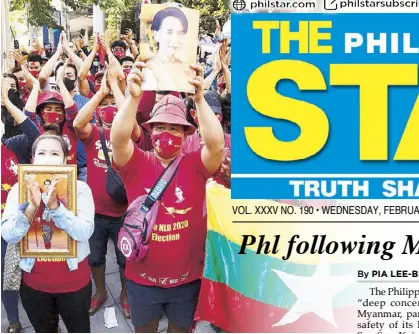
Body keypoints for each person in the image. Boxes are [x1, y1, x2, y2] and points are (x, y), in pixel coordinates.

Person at [110, 62, 224, 333]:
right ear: (149, 131)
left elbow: (216, 145)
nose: (167, 133)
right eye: (159, 126)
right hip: (141, 279)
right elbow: (118, 140)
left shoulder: (196, 165)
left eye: (175, 128)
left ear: (186, 134)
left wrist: (198, 100)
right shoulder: (135, 164)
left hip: (187, 281)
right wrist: (133, 98)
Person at [1, 134, 95, 333]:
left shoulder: (80, 189)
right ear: (33, 158)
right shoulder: (18, 189)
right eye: (42, 152)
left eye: (55, 153)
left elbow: (84, 231)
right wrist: (30, 208)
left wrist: (56, 208)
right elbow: (9, 234)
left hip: (74, 284)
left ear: (64, 159)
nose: (48, 157)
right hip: (34, 286)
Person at [73, 66, 141, 319]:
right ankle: (100, 291)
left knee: (125, 259)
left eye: (115, 103)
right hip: (96, 212)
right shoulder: (94, 133)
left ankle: (125, 293)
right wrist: (100, 93)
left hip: (124, 212)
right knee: (96, 258)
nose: (110, 107)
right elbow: (79, 122)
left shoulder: (129, 136)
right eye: (106, 104)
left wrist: (117, 90)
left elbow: (132, 124)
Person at [1, 79, 41, 334]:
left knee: (34, 272)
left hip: (27, 220)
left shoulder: (11, 147)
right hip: (4, 231)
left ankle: (42, 318)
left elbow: (35, 136)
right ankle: (13, 319)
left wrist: (6, 101)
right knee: (6, 275)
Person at [142, 7, 194, 92]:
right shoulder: (149, 67)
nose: (175, 39)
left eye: (180, 33)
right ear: (156, 34)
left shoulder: (186, 67)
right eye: (169, 32)